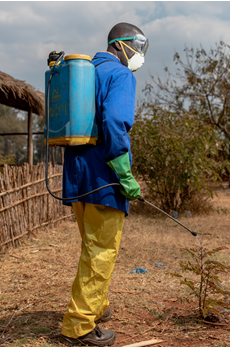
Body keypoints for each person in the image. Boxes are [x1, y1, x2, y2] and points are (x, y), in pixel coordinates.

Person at [60, 22, 149, 346]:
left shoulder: (84, 72)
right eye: (139, 48)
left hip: (77, 177)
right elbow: (114, 121)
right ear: (123, 45)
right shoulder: (121, 75)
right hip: (104, 179)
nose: (140, 56)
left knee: (92, 247)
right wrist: (124, 173)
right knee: (100, 252)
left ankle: (98, 305)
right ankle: (79, 325)